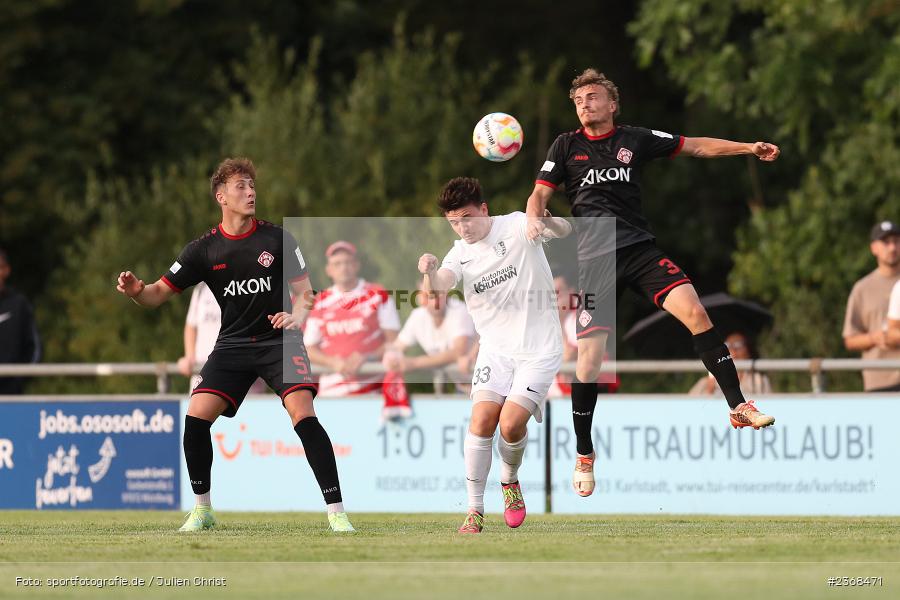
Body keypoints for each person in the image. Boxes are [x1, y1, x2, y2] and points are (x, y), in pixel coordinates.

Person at [525, 68, 779, 498]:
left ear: (612, 104)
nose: (585, 104)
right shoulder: (566, 146)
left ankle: (738, 406)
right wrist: (534, 217)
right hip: (595, 261)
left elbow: (695, 145)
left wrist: (748, 148)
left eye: (592, 97)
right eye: (579, 100)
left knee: (696, 311)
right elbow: (539, 195)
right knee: (589, 364)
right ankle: (584, 453)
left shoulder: (634, 139)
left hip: (640, 251)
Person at [115, 157, 354, 532]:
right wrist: (136, 292)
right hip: (233, 345)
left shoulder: (278, 239)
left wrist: (298, 317)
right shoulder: (202, 250)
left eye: (252, 185)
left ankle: (337, 513)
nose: (251, 192)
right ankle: (202, 510)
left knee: (303, 415)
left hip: (280, 340)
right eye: (241, 186)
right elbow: (157, 293)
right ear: (221, 196)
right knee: (195, 418)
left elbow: (306, 294)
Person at [419, 177, 571, 533]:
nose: (462, 228)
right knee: (481, 420)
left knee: (511, 424)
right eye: (453, 222)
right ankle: (474, 510)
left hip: (539, 349)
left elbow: (565, 230)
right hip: (495, 350)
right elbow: (438, 288)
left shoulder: (517, 224)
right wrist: (429, 272)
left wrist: (547, 221)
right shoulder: (459, 252)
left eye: (467, 218)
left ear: (484, 209)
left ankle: (509, 479)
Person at [303, 241, 408, 417]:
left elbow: (395, 342)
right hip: (331, 394)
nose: (343, 268)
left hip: (372, 393)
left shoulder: (377, 294)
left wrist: (367, 357)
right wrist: (332, 362)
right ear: (329, 270)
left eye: (348, 262)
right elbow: (308, 348)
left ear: (357, 265)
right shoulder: (320, 300)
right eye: (337, 264)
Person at [383, 280, 476, 392]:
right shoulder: (417, 316)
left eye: (438, 295)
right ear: (419, 298)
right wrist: (391, 356)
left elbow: (458, 351)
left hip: (485, 383)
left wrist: (414, 363)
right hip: (464, 386)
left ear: (446, 293)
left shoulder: (459, 310)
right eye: (427, 296)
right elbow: (397, 346)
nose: (434, 302)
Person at [177, 282, 266, 393]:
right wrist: (189, 356)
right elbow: (191, 325)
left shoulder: (253, 284)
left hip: (241, 378)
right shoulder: (202, 287)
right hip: (203, 375)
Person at [845, 221, 900, 391]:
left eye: (896, 241)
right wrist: (874, 338)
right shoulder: (862, 288)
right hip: (880, 380)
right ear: (874, 248)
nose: (892, 247)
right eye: (886, 242)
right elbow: (850, 339)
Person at [0, 248, 41, 394]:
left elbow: (34, 348)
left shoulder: (19, 304)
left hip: (12, 394)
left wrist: (19, 377)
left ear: (6, 270)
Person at [688, 331, 772, 396]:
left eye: (738, 345)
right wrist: (709, 391)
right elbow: (690, 407)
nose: (733, 350)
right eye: (727, 345)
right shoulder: (705, 382)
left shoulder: (758, 380)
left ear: (748, 351)